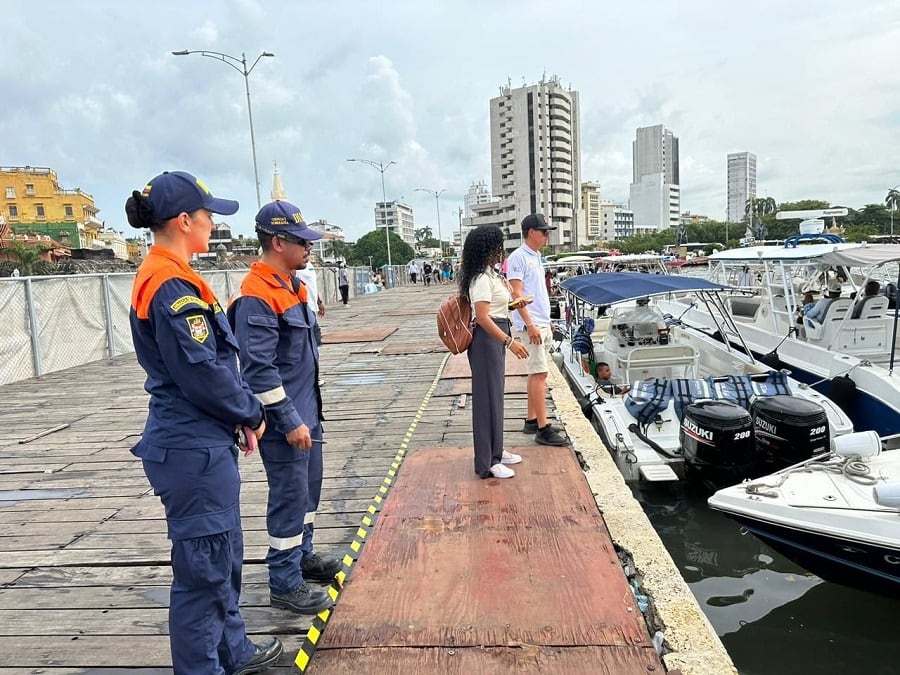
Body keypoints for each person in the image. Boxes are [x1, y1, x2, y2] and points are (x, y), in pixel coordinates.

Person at [125, 171, 282, 675]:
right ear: (184, 220)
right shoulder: (168, 280)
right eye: (209, 215)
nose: (214, 224)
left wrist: (235, 417)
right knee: (202, 575)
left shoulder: (174, 272)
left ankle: (231, 652)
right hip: (190, 448)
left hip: (203, 441)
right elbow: (203, 372)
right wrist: (251, 412)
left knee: (223, 557)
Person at [228, 200, 342, 616]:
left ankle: (302, 556)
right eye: (302, 241)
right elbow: (258, 370)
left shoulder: (292, 285)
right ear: (278, 242)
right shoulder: (257, 295)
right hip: (285, 422)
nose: (309, 248)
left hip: (310, 412)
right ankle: (284, 581)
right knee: (290, 498)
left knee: (308, 494)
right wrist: (290, 420)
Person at [459, 225, 530, 478]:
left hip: (495, 336)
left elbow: (496, 309)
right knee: (486, 400)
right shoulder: (480, 279)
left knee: (495, 397)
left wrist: (514, 304)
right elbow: (482, 318)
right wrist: (510, 343)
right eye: (499, 245)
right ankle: (486, 462)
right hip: (487, 340)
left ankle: (496, 451)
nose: (502, 251)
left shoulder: (490, 274)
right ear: (488, 248)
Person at [507, 213, 569, 446]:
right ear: (531, 232)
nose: (547, 235)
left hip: (541, 322)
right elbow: (516, 294)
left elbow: (537, 292)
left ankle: (532, 419)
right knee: (540, 373)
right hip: (531, 324)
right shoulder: (518, 258)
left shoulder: (535, 257)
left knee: (536, 372)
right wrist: (530, 323)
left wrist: (546, 320)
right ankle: (543, 429)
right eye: (544, 231)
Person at [295, 264, 325, 347]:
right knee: (313, 334)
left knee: (315, 335)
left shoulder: (309, 265)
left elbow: (313, 285)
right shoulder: (296, 266)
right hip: (304, 305)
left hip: (312, 305)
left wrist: (319, 302)